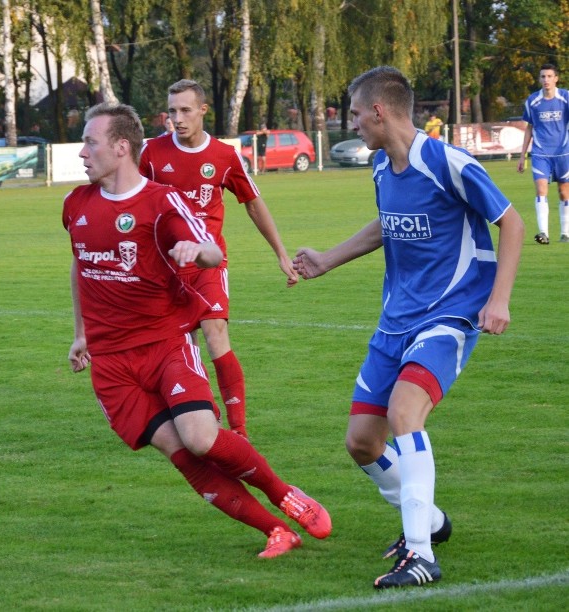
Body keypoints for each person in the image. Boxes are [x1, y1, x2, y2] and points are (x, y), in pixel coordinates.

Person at [65, 102, 331, 559]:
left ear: (121, 147)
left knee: (201, 437)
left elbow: (210, 251)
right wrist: (80, 332)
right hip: (111, 364)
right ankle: (276, 531)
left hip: (165, 344)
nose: (82, 153)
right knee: (181, 453)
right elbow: (80, 266)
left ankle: (283, 491)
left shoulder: (160, 201)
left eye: (91, 142)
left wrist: (195, 251)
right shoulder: (76, 205)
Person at [293, 66, 524, 589]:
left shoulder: (448, 162)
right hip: (395, 318)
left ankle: (420, 555)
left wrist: (499, 300)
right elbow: (384, 225)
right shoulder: (380, 169)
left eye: (354, 113)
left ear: (379, 111)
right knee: (361, 444)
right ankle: (431, 523)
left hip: (450, 313)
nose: (351, 124)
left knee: (404, 413)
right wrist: (328, 260)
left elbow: (511, 222)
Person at [139, 79, 299, 439]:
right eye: (172, 111)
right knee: (184, 346)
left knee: (215, 332)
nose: (177, 119)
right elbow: (136, 202)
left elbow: (254, 204)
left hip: (210, 264)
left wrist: (281, 254)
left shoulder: (224, 156)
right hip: (167, 268)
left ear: (202, 111)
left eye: (185, 110)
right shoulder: (151, 154)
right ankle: (204, 411)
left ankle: (239, 430)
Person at [516, 63, 569, 244]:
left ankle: (565, 233)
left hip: (563, 153)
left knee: (564, 193)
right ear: (540, 79)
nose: (546, 80)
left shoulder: (566, 98)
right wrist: (522, 155)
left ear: (556, 78)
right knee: (541, 189)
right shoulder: (532, 101)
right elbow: (529, 128)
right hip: (540, 154)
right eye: (543, 77)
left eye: (549, 76)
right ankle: (543, 233)